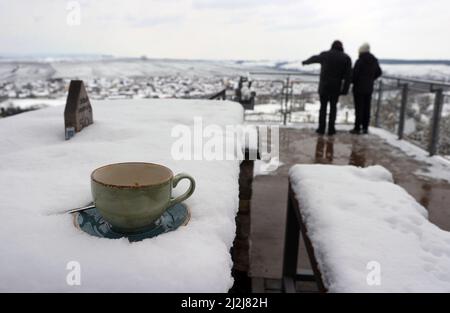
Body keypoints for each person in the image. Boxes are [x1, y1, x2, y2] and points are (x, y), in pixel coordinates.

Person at [302, 40, 352, 136]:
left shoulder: (325, 55)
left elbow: (314, 58)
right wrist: (345, 90)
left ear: (332, 46)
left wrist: (305, 62)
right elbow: (348, 77)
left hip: (324, 87)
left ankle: (321, 128)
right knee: (333, 108)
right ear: (341, 47)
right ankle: (331, 129)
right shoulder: (346, 58)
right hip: (336, 88)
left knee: (323, 108)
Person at [350, 43, 382, 134]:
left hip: (359, 88)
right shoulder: (374, 61)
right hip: (369, 88)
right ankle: (365, 128)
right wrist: (371, 79)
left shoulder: (360, 61)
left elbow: (354, 74)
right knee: (367, 108)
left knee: (359, 108)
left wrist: (352, 81)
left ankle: (357, 128)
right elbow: (379, 72)